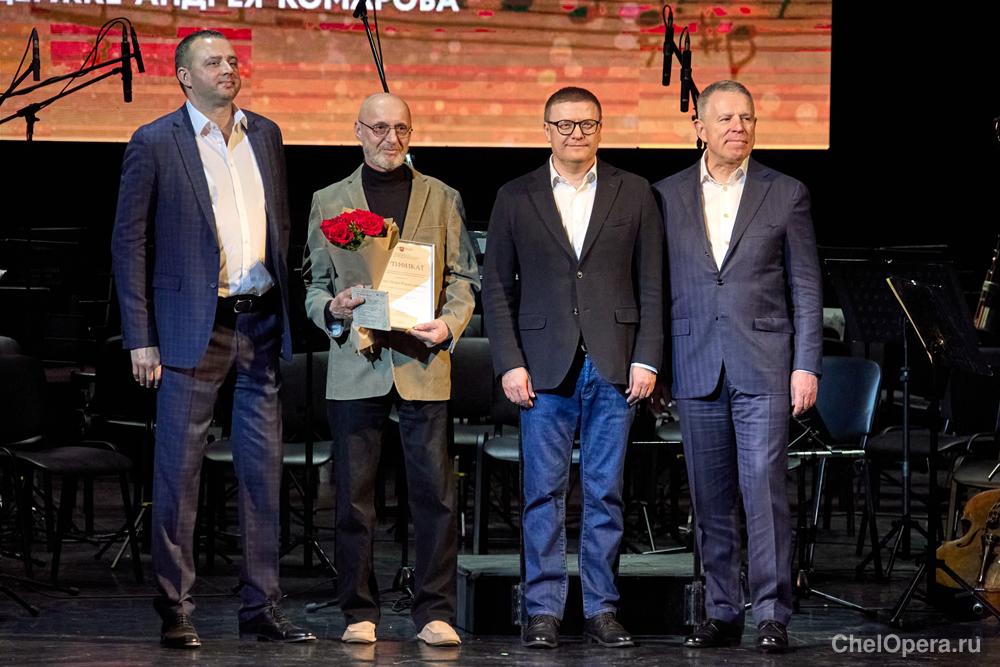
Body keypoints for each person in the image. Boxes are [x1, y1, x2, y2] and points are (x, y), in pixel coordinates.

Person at [111, 30, 315, 648]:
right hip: (190, 329)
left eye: (232, 60)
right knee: (179, 475)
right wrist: (140, 336)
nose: (228, 68)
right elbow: (129, 242)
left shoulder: (266, 135)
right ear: (184, 76)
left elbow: (279, 225)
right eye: (213, 62)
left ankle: (262, 607)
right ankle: (176, 607)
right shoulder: (154, 141)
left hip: (261, 323)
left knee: (263, 475)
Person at [482, 87, 663, 649]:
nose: (575, 133)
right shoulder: (516, 195)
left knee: (606, 493)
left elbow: (653, 282)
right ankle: (542, 610)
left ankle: (601, 608)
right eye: (564, 124)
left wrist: (647, 356)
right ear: (546, 130)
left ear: (600, 128)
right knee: (543, 494)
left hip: (615, 364)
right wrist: (510, 362)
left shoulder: (634, 191)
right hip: (542, 368)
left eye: (586, 123)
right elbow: (496, 288)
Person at [302, 93, 479, 648]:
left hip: (422, 360)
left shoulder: (442, 196)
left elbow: (463, 278)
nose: (390, 139)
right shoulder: (329, 200)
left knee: (435, 496)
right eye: (379, 128)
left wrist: (449, 325)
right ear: (358, 130)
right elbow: (313, 284)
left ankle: (435, 612)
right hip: (357, 362)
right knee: (354, 498)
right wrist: (331, 310)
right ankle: (359, 611)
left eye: (401, 128)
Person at [652, 79, 823, 653]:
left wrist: (806, 365)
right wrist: (657, 363)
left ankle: (772, 612)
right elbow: (656, 287)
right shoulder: (665, 195)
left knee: (764, 489)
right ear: (699, 127)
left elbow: (805, 285)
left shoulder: (786, 192)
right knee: (709, 496)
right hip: (695, 361)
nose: (738, 128)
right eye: (725, 118)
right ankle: (721, 611)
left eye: (747, 118)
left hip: (765, 363)